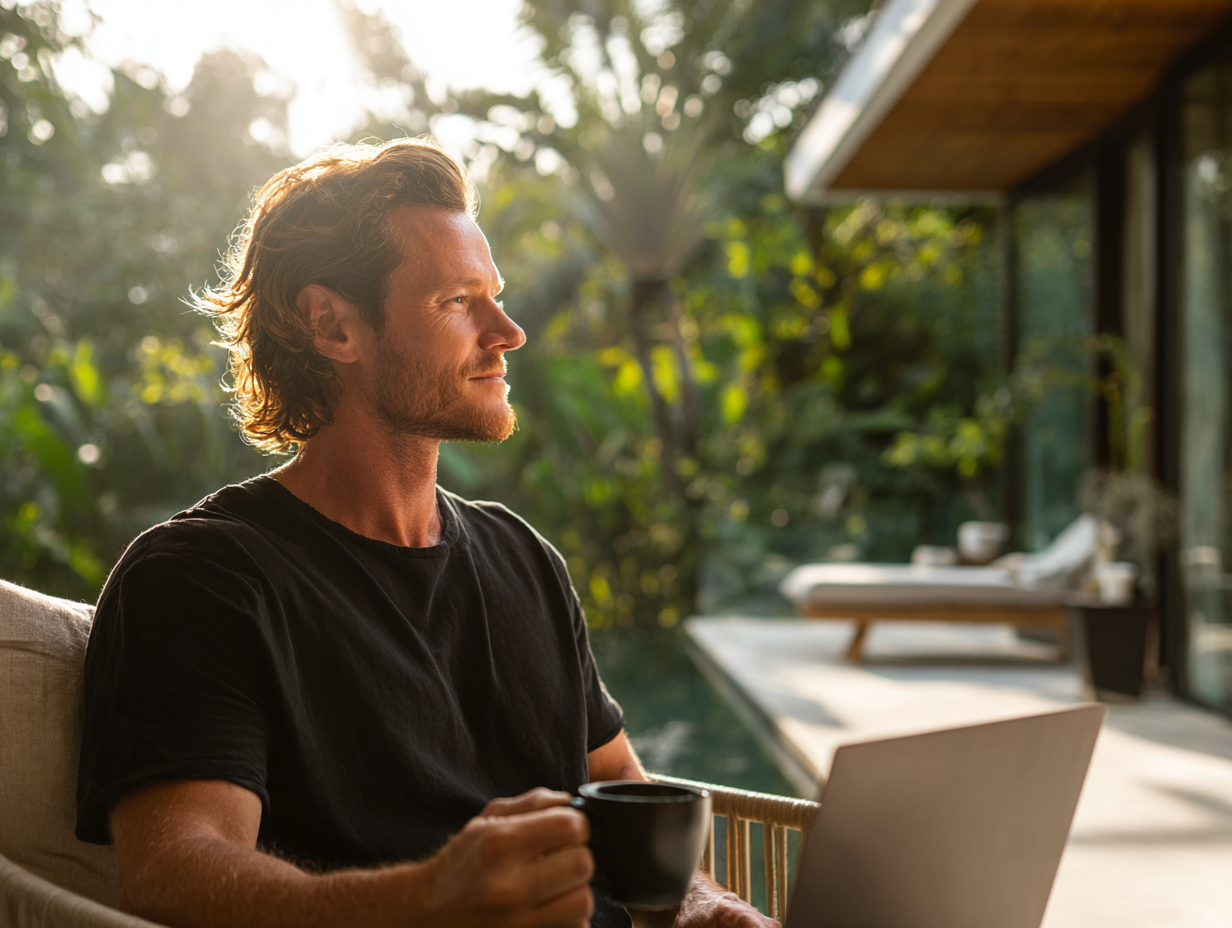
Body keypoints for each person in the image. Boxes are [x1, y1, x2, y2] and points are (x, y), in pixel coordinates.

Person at [76, 139, 778, 928]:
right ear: (333, 325)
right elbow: (172, 874)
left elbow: (620, 784)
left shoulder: (524, 559)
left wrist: (704, 903)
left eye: (495, 296)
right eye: (457, 301)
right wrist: (427, 901)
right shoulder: (201, 578)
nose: (508, 331)